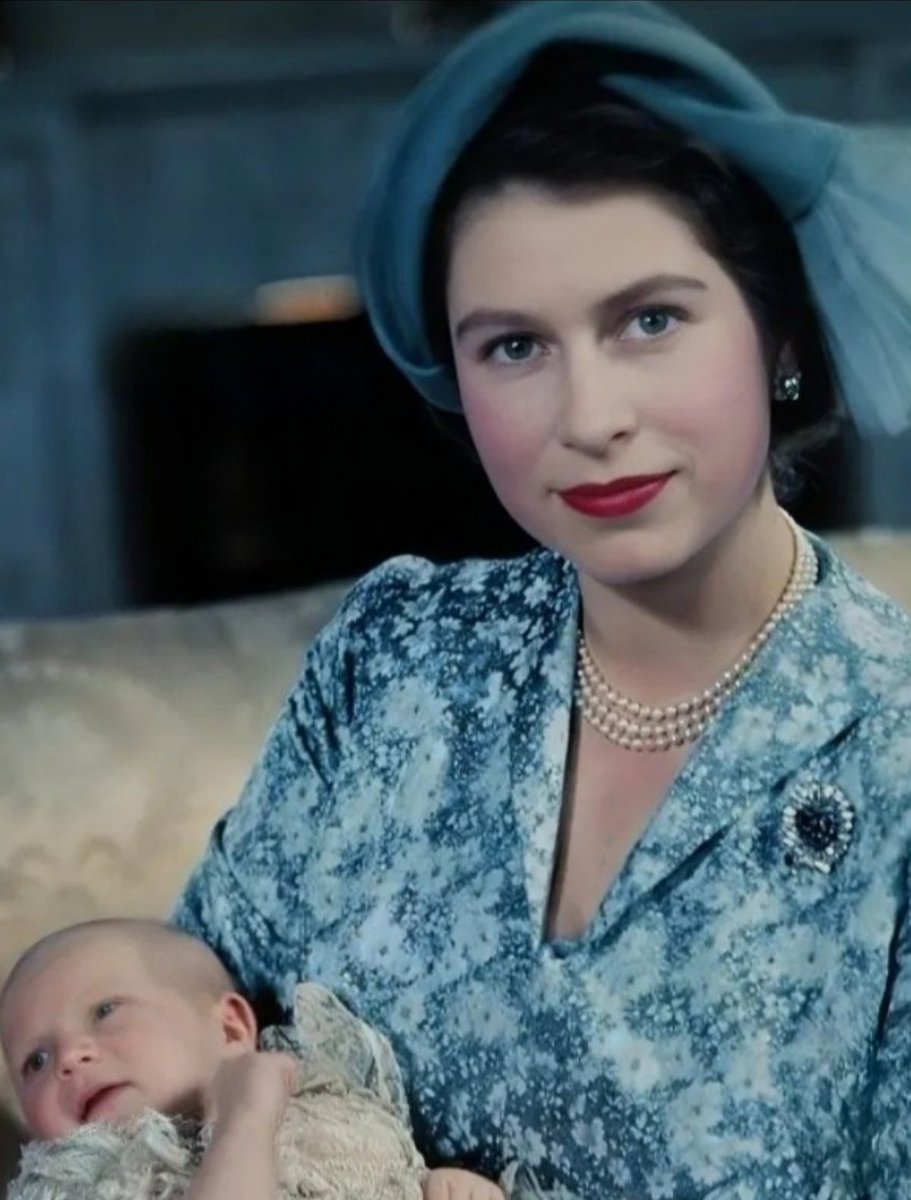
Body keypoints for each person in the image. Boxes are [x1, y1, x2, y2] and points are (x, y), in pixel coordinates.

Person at [174, 2, 911, 1197]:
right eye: (514, 346)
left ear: (776, 330)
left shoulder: (893, 752)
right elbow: (168, 1038)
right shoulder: (395, 657)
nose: (587, 418)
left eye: (649, 319)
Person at [0, 920, 504, 1200]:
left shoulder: (329, 1107)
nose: (68, 1058)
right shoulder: (79, 1187)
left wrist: (436, 1189)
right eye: (34, 1062)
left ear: (230, 1028)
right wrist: (244, 1124)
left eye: (104, 1011)